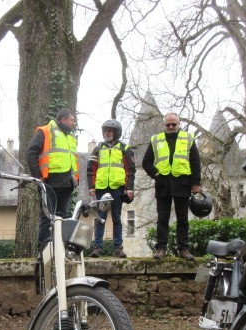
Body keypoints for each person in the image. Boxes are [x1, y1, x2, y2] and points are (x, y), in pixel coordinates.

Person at [142, 112, 201, 261]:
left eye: (173, 124)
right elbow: (146, 162)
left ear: (179, 124)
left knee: (183, 218)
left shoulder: (188, 138)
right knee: (163, 218)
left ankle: (184, 249)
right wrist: (156, 174)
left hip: (182, 183)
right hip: (163, 184)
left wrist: (195, 183)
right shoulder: (156, 139)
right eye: (168, 124)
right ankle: (161, 248)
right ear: (164, 125)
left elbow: (195, 162)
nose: (171, 127)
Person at [26, 108, 78, 247]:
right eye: (72, 120)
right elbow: (31, 152)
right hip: (49, 182)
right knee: (47, 217)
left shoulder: (71, 136)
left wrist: (75, 178)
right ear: (63, 120)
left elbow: (73, 159)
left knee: (63, 218)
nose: (74, 123)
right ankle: (43, 250)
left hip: (67, 183)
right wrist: (37, 176)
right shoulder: (45, 131)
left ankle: (60, 249)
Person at [86, 119, 135, 258]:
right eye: (105, 130)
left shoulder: (124, 148)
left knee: (117, 217)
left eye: (110, 130)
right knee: (100, 218)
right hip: (101, 187)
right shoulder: (98, 149)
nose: (107, 133)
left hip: (117, 187)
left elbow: (130, 170)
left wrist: (129, 188)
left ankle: (118, 247)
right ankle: (97, 247)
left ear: (116, 132)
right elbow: (91, 169)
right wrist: (91, 186)